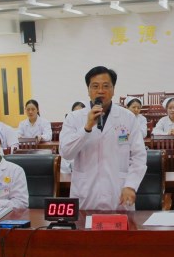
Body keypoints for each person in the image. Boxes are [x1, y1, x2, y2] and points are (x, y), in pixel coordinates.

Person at [59, 66, 147, 210]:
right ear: (88, 90)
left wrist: (131, 185)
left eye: (106, 86)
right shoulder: (74, 118)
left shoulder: (128, 117)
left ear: (113, 90)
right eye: (95, 86)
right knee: (84, 224)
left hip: (118, 194)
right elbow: (66, 153)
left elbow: (139, 156)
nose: (101, 91)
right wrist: (86, 128)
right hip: (86, 196)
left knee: (121, 224)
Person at [60, 101, 87, 174]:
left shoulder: (89, 126)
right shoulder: (68, 125)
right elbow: (64, 149)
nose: (77, 115)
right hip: (68, 164)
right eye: (75, 112)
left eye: (80, 112)